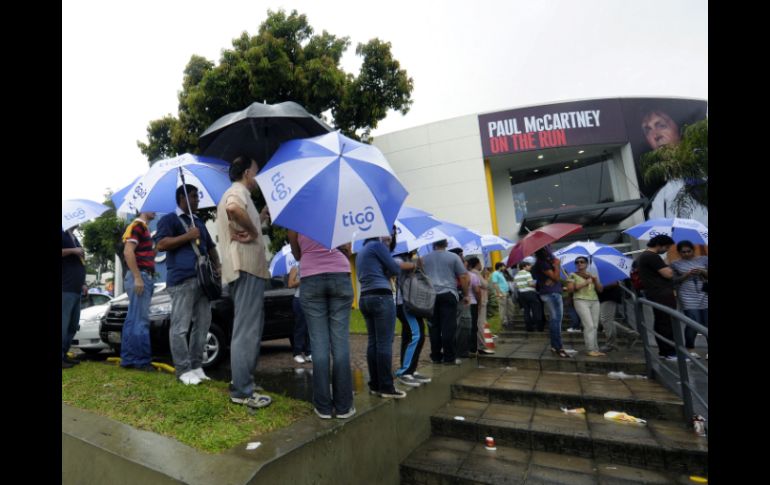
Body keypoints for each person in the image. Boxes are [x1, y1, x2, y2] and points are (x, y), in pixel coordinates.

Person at [215, 156, 273, 409]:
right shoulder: (236, 191)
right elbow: (233, 209)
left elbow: (239, 215)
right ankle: (242, 390)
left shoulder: (240, 194)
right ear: (247, 173)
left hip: (247, 268)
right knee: (246, 329)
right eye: (257, 170)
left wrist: (257, 220)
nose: (258, 176)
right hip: (245, 266)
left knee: (250, 327)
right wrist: (251, 229)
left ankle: (244, 381)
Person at [155, 184, 220, 385]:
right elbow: (161, 244)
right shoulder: (169, 219)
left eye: (198, 196)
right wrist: (187, 237)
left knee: (202, 325)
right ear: (182, 198)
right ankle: (183, 370)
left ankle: (196, 366)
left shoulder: (198, 221)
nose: (197, 200)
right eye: (193, 196)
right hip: (181, 280)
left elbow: (210, 247)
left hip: (203, 281)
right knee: (180, 326)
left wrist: (217, 268)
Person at [288, 229, 355, 419]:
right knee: (340, 343)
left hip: (311, 277)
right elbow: (348, 250)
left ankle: (323, 407)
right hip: (340, 275)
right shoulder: (336, 212)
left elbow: (297, 254)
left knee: (318, 344)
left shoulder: (296, 218)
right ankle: (344, 406)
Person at [356, 226, 417, 399]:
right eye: (389, 232)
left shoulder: (362, 250)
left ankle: (375, 384)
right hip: (381, 296)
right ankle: (386, 386)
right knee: (384, 343)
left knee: (373, 342)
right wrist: (388, 268)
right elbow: (396, 269)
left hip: (365, 297)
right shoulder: (377, 246)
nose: (390, 236)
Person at [120, 211, 158, 372]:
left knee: (132, 319)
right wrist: (138, 277)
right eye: (152, 208)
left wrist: (156, 248)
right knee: (140, 320)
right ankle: (141, 361)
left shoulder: (141, 228)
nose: (155, 211)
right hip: (140, 275)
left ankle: (128, 359)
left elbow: (140, 254)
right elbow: (128, 252)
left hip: (139, 274)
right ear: (143, 209)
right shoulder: (138, 226)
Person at [422, 239, 469, 365]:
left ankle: (436, 357)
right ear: (446, 244)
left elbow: (421, 277)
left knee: (434, 327)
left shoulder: (423, 258)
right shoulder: (453, 257)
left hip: (430, 295)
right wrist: (466, 294)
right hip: (448, 293)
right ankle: (449, 357)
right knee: (448, 326)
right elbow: (463, 276)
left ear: (433, 244)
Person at [637, 235, 678, 360]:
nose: (666, 250)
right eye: (666, 247)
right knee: (666, 323)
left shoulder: (645, 256)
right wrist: (669, 265)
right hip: (662, 294)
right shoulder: (652, 257)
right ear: (659, 245)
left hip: (655, 293)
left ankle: (664, 351)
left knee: (661, 322)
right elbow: (668, 274)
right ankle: (669, 352)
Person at [394, 250, 432, 387]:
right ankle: (405, 372)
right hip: (405, 304)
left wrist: (418, 264)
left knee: (409, 336)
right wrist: (415, 264)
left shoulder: (408, 259)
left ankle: (411, 369)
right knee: (417, 336)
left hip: (413, 303)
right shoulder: (397, 257)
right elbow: (400, 266)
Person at [670, 240, 708, 358]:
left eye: (688, 251)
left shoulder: (703, 259)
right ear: (679, 253)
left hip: (704, 294)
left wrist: (702, 271)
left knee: (707, 322)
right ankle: (690, 348)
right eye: (683, 252)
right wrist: (686, 275)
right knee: (692, 322)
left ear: (693, 250)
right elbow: (673, 281)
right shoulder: (675, 264)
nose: (686, 254)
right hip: (687, 295)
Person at [532, 246, 569, 358]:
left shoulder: (541, 263)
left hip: (550, 293)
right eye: (548, 249)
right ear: (544, 251)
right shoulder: (543, 263)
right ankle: (559, 347)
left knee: (555, 321)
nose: (551, 251)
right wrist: (557, 265)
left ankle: (555, 346)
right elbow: (556, 278)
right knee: (556, 321)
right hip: (552, 294)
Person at [566, 257, 605, 357]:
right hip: (580, 300)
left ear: (587, 264)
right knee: (589, 326)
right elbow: (570, 289)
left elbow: (600, 290)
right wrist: (585, 283)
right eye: (577, 262)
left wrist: (595, 281)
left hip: (595, 301)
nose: (579, 263)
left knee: (595, 326)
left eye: (582, 262)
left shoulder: (592, 275)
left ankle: (595, 349)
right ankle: (590, 349)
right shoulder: (572, 275)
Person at [62, 227, 87, 369]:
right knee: (63, 324)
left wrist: (83, 283)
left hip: (76, 287)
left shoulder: (74, 237)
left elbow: (78, 263)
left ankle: (64, 354)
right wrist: (73, 251)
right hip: (65, 287)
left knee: (72, 325)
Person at [598, 281, 640, 352]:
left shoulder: (608, 271)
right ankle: (631, 334)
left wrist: (598, 286)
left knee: (606, 320)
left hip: (609, 296)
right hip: (603, 297)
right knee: (605, 320)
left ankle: (611, 344)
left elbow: (614, 282)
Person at [467, 257, 493, 354]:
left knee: (477, 324)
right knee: (480, 324)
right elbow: (485, 285)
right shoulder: (475, 273)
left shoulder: (470, 272)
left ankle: (477, 345)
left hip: (475, 301)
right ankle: (481, 346)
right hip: (480, 301)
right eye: (480, 263)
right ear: (477, 264)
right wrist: (486, 277)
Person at [287, 263, 312, 364]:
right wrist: (302, 280)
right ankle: (297, 353)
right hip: (299, 299)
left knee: (309, 327)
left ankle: (308, 353)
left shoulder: (311, 265)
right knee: (300, 327)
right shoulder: (296, 267)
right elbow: (290, 284)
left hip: (310, 299)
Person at [514, 260, 542, 332]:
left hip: (521, 294)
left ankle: (529, 327)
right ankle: (539, 326)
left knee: (526, 310)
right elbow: (530, 284)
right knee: (536, 309)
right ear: (524, 267)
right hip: (530, 293)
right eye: (529, 265)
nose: (530, 267)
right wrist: (535, 283)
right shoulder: (527, 274)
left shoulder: (516, 276)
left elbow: (516, 286)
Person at [490, 263, 513, 328]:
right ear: (500, 267)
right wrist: (499, 293)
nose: (504, 268)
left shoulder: (501, 273)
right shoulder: (495, 273)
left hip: (507, 292)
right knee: (503, 308)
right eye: (503, 266)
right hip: (501, 293)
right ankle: (504, 322)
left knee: (510, 307)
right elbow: (495, 284)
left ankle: (510, 320)